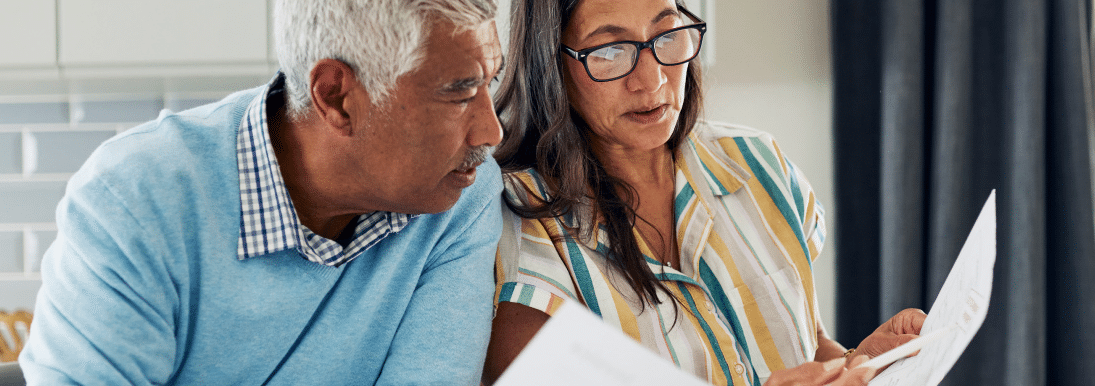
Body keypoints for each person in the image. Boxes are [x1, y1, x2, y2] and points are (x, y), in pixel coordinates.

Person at [19, 0, 505, 384]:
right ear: (336, 97)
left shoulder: (461, 195)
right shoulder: (133, 200)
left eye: (491, 82)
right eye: (459, 94)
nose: (491, 132)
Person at [483, 0, 926, 385]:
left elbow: (808, 347)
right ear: (549, 59)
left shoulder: (759, 164)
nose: (653, 79)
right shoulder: (514, 231)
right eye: (611, 50)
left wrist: (858, 360)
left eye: (666, 33)